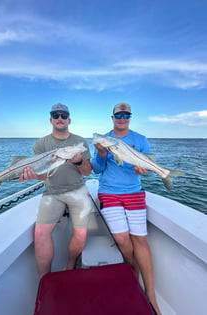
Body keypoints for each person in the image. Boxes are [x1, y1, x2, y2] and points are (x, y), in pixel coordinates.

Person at [91, 102, 161, 315]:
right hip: (109, 193)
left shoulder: (140, 140)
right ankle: (134, 272)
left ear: (130, 117)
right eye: (118, 115)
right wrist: (101, 153)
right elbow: (96, 169)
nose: (122, 118)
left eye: (126, 115)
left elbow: (145, 166)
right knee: (122, 239)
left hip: (134, 193)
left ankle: (150, 294)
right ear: (112, 117)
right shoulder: (104, 140)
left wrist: (144, 170)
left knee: (140, 239)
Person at [19, 103, 93, 278]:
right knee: (40, 233)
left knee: (81, 233)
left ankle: (70, 266)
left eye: (63, 115)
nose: (60, 118)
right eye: (56, 115)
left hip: (78, 190)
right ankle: (45, 279)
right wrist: (33, 175)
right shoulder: (40, 144)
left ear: (69, 120)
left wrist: (77, 161)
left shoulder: (80, 141)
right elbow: (43, 176)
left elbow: (88, 171)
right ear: (51, 119)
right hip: (52, 192)